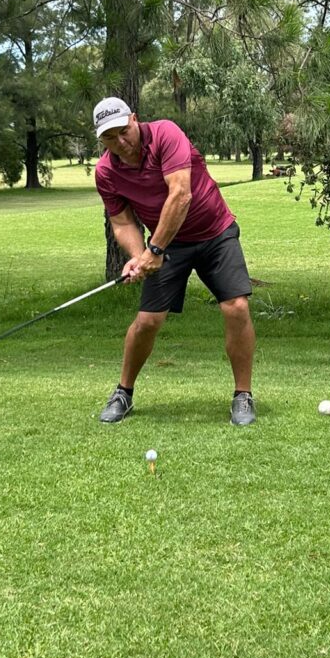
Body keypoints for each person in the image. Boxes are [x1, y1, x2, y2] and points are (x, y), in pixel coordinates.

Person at [92, 96, 257, 426]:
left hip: (215, 233)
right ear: (100, 139)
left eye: (124, 132)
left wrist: (153, 251)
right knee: (148, 321)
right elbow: (122, 223)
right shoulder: (106, 172)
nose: (120, 143)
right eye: (109, 137)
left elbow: (180, 194)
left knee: (236, 306)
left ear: (135, 119)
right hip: (168, 245)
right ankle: (123, 392)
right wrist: (139, 257)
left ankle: (243, 395)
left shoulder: (166, 134)